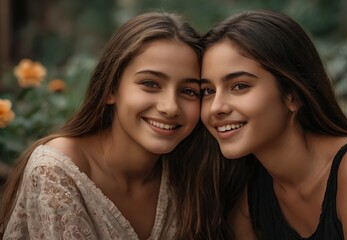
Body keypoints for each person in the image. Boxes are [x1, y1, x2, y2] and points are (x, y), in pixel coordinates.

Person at [200, 10, 347, 240]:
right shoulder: (248, 192)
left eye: (239, 86)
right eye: (207, 91)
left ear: (293, 95)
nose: (216, 107)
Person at [0, 11, 204, 239]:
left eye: (188, 91)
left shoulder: (193, 171)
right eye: (150, 83)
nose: (170, 107)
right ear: (111, 89)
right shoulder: (56, 170)